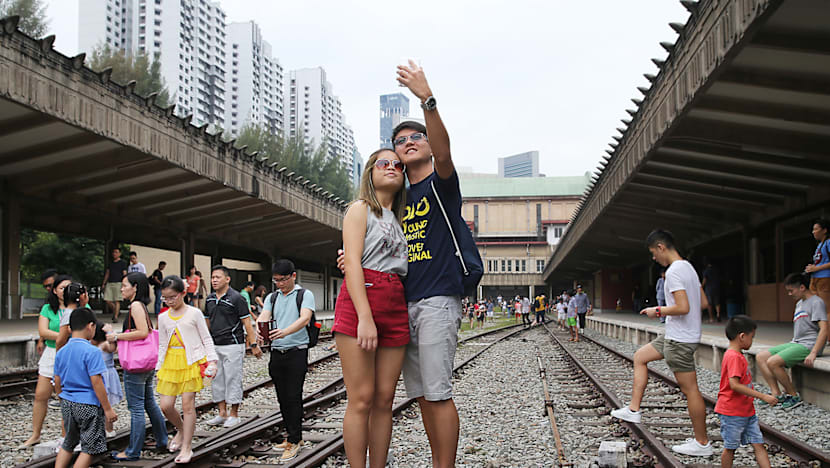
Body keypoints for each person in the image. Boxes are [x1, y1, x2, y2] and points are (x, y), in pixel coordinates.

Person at [333, 147, 409, 468]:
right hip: (362, 299)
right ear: (370, 172)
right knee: (361, 398)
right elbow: (351, 262)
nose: (391, 167)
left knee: (384, 400)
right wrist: (365, 317)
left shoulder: (401, 219)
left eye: (398, 165)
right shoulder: (360, 209)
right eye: (383, 163)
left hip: (395, 299)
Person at [611, 229, 712, 456]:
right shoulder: (689, 268)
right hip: (674, 334)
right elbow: (703, 303)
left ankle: (702, 443)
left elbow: (683, 307)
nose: (654, 258)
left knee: (691, 390)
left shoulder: (675, 271)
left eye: (653, 253)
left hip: (680, 340)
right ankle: (634, 409)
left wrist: (656, 310)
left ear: (661, 247)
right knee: (640, 357)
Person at [257, 259, 315, 462]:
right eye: (276, 281)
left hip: (296, 352)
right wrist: (259, 327)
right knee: (282, 397)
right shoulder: (272, 297)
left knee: (293, 396)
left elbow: (305, 318)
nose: (279, 284)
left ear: (293, 276)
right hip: (276, 352)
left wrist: (284, 332)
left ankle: (295, 439)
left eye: (283, 280)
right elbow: (264, 315)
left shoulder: (304, 295)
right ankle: (291, 437)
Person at [156, 275, 218, 464]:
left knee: (188, 405)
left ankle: (186, 447)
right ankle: (182, 430)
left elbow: (206, 338)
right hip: (170, 363)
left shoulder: (194, 313)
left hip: (191, 361)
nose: (169, 301)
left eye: (172, 297)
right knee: (166, 406)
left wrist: (212, 361)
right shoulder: (163, 317)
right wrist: (159, 366)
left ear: (183, 293)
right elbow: (162, 344)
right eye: (165, 298)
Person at [108, 272, 169, 461]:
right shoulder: (141, 305)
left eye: (125, 285)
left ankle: (133, 451)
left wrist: (117, 336)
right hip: (146, 363)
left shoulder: (135, 306)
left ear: (135, 287)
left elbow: (143, 332)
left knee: (136, 408)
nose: (122, 288)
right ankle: (162, 440)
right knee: (149, 403)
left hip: (136, 365)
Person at [53, 305, 118, 468]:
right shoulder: (92, 351)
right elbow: (97, 382)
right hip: (88, 404)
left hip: (68, 402)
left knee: (68, 442)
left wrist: (62, 398)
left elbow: (57, 379)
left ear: (69, 328)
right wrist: (108, 408)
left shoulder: (61, 351)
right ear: (91, 326)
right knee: (90, 448)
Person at [756, 272, 827, 410]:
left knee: (773, 362)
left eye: (791, 290)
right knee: (761, 357)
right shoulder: (800, 303)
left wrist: (814, 352)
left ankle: (793, 395)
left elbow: (824, 329)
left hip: (809, 345)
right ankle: (776, 393)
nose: (789, 294)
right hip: (796, 342)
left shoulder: (816, 302)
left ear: (802, 287)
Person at [204, 265, 262, 429]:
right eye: (213, 277)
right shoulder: (209, 299)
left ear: (227, 279)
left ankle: (234, 414)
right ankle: (222, 413)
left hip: (233, 344)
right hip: (215, 345)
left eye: (218, 277)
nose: (214, 280)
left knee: (232, 379)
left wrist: (253, 344)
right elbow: (207, 322)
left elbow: (246, 323)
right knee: (216, 380)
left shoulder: (237, 298)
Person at [715, 316, 777, 468]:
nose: (752, 341)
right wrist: (763, 396)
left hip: (747, 411)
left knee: (758, 444)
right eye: (752, 337)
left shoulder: (736, 355)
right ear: (742, 336)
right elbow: (734, 385)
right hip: (732, 412)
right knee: (730, 447)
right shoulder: (734, 357)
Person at [20, 274, 72, 448]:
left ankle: (66, 437)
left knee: (66, 397)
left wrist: (61, 337)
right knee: (41, 395)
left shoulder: (81, 306)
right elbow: (43, 331)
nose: (65, 291)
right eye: (62, 288)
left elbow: (85, 330)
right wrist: (65, 336)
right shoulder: (48, 308)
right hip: (51, 353)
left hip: (71, 353)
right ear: (55, 290)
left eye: (69, 287)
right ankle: (35, 435)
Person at [92, 322, 121, 438]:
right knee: (99, 404)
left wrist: (110, 333)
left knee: (106, 403)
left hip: (106, 376)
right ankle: (99, 428)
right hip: (98, 375)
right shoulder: (91, 345)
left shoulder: (104, 344)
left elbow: (112, 348)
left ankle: (108, 429)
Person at [805, 219, 830, 319]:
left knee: (826, 309)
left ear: (824, 230)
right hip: (815, 278)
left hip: (825, 278)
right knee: (815, 307)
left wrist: (817, 268)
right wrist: (811, 268)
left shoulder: (828, 243)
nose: (813, 232)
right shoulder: (820, 245)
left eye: (816, 229)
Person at [102, 247, 128, 322]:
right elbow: (107, 273)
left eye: (116, 252)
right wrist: (104, 283)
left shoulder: (123, 263)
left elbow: (124, 273)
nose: (114, 254)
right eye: (113, 252)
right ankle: (116, 310)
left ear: (120, 253)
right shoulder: (111, 263)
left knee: (117, 300)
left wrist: (124, 283)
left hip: (119, 283)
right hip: (110, 282)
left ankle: (115, 317)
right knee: (107, 300)